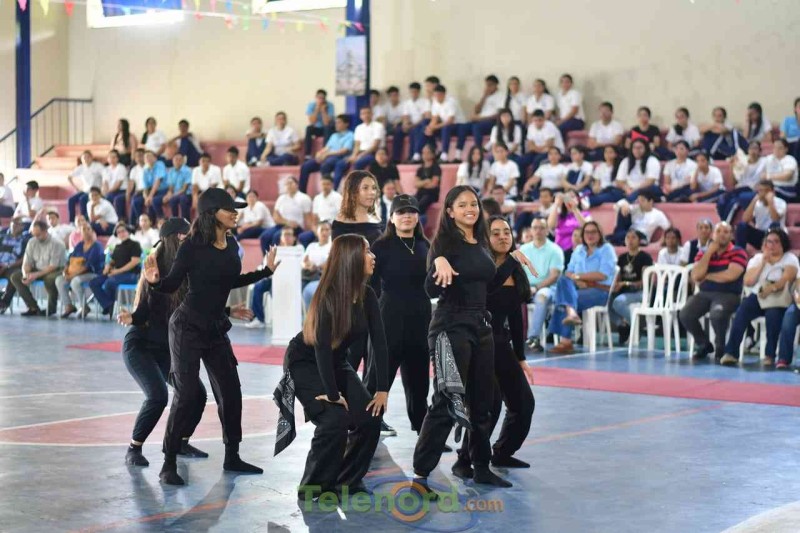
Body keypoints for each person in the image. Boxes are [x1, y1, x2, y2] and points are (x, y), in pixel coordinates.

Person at [143, 188, 278, 485]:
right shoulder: (191, 247)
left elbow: (229, 281)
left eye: (236, 209)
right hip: (187, 327)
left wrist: (265, 272)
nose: (235, 213)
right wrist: (154, 283)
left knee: (231, 392)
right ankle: (168, 462)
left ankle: (233, 456)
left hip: (215, 328)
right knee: (187, 394)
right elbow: (171, 285)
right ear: (211, 213)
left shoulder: (231, 244)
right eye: (230, 209)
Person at [412, 185, 535, 493]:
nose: (470, 209)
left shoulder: (479, 243)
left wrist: (511, 260)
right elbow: (430, 290)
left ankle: (480, 467)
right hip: (450, 327)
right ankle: (421, 475)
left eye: (474, 204)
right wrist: (437, 263)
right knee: (447, 401)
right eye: (462, 204)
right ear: (450, 211)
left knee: (483, 403)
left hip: (481, 327)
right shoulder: (444, 244)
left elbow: (486, 287)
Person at [272, 234, 387, 502]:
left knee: (370, 418)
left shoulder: (367, 294)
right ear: (351, 258)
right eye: (367, 251)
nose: (373, 257)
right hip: (305, 362)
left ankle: (347, 481)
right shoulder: (328, 296)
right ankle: (313, 487)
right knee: (334, 420)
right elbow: (321, 349)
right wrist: (332, 395)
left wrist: (382, 389)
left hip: (335, 362)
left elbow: (380, 344)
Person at [117, 218, 216, 467]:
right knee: (157, 396)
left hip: (164, 349)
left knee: (197, 394)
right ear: (173, 240)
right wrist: (132, 317)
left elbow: (199, 303)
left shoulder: (185, 272)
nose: (189, 241)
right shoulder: (154, 269)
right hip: (140, 346)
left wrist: (227, 309)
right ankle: (134, 448)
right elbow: (143, 313)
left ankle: (181, 442)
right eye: (184, 237)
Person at [452, 216, 535, 478]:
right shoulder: (480, 268)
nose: (503, 236)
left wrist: (520, 356)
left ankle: (502, 452)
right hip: (478, 343)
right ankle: (465, 460)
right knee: (489, 405)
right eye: (496, 233)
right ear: (486, 238)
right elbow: (487, 290)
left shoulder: (515, 270)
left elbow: (516, 317)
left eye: (507, 232)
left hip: (501, 343)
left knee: (523, 403)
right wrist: (511, 261)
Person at [369, 195, 431, 435]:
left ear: (417, 217)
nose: (407, 216)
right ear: (392, 218)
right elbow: (370, 285)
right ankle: (368, 428)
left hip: (420, 320)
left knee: (419, 381)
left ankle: (423, 431)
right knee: (378, 376)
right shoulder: (380, 247)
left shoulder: (426, 246)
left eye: (412, 211)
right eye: (401, 212)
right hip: (389, 318)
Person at [719, 229, 796, 367]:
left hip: (777, 297)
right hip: (758, 296)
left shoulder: (789, 258)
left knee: (773, 315)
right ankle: (731, 353)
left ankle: (769, 355)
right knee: (742, 312)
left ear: (783, 243)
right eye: (769, 242)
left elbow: (787, 278)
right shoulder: (757, 259)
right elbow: (748, 281)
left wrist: (771, 288)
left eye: (776, 242)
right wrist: (763, 263)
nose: (772, 245)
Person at [679, 222, 747, 361]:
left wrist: (708, 276)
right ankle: (703, 344)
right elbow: (696, 276)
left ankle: (720, 348)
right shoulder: (703, 252)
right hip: (704, 293)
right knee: (685, 314)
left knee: (717, 315)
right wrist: (709, 252)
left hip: (729, 294)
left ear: (731, 235)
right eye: (718, 231)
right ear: (713, 235)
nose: (722, 235)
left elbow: (730, 276)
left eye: (726, 232)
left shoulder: (738, 252)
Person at [549, 220, 616, 354]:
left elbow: (602, 275)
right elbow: (569, 272)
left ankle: (566, 340)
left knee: (563, 299)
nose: (590, 235)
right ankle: (571, 314)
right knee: (563, 280)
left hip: (599, 290)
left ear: (600, 234)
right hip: (578, 288)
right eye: (587, 232)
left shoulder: (606, 249)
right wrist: (577, 280)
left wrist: (579, 277)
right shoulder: (579, 250)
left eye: (593, 232)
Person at [519, 216, 564, 352]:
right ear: (531, 230)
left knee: (541, 296)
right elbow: (517, 272)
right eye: (535, 228)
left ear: (547, 230)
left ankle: (533, 338)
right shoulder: (523, 249)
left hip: (548, 288)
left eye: (541, 228)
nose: (538, 231)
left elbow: (554, 276)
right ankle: (508, 336)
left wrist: (536, 288)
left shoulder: (555, 250)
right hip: (526, 287)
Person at [246, 227, 303, 329]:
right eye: (285, 234)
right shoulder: (274, 250)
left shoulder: (299, 249)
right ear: (281, 238)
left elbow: (301, 266)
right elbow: (265, 265)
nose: (287, 237)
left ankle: (284, 319)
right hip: (273, 279)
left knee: (276, 290)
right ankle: (259, 319)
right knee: (257, 287)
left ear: (294, 238)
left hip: (293, 280)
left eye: (289, 234)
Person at [10, 220, 66, 316]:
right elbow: (26, 262)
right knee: (16, 276)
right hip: (37, 269)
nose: (36, 237)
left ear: (45, 231)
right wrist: (26, 274)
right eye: (34, 234)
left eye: (38, 235)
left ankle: (51, 308)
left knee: (49, 279)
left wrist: (35, 275)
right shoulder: (32, 242)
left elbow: (53, 266)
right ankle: (33, 307)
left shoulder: (57, 243)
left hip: (55, 269)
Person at [88, 222, 142, 317]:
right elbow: (112, 261)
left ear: (128, 232)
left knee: (109, 282)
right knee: (93, 282)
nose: (121, 233)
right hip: (116, 274)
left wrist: (117, 271)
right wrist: (107, 266)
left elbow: (134, 262)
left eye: (123, 231)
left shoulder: (135, 245)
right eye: (119, 232)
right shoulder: (117, 247)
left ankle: (108, 305)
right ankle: (108, 304)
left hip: (131, 274)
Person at [610, 230, 653, 344]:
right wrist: (615, 285)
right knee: (606, 300)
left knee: (618, 302)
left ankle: (637, 327)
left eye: (633, 237)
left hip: (640, 292)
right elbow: (618, 278)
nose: (630, 240)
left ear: (639, 241)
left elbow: (645, 282)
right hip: (624, 291)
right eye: (627, 237)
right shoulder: (622, 258)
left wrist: (626, 284)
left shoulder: (645, 257)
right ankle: (622, 326)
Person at [57, 223, 104, 318]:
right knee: (59, 280)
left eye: (88, 229)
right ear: (81, 232)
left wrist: (72, 276)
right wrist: (65, 271)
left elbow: (88, 266)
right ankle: (69, 306)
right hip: (75, 273)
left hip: (93, 273)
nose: (86, 231)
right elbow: (70, 260)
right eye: (84, 229)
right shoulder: (79, 245)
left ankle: (84, 306)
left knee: (75, 281)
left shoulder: (97, 246)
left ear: (92, 231)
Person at [298, 115, 354, 193]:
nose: (336, 125)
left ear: (346, 124)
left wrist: (327, 154)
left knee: (326, 164)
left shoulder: (350, 135)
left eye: (339, 122)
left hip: (339, 157)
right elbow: (326, 148)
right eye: (336, 123)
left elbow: (344, 151)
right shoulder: (334, 135)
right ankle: (302, 192)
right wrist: (319, 153)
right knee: (306, 166)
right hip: (327, 157)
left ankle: (328, 191)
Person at [334, 108, 385, 187]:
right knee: (340, 164)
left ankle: (352, 188)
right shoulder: (359, 128)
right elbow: (357, 145)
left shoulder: (378, 126)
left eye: (368, 113)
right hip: (360, 152)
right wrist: (354, 155)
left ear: (372, 114)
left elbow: (375, 146)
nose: (366, 115)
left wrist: (359, 156)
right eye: (363, 114)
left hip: (373, 153)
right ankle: (335, 189)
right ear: (360, 116)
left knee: (358, 163)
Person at [258, 177, 313, 251]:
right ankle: (266, 256)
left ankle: (277, 256)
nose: (289, 186)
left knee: (277, 236)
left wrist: (307, 230)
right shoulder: (281, 198)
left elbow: (307, 218)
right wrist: (287, 222)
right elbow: (275, 216)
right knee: (265, 236)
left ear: (297, 185)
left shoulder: (304, 198)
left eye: (291, 183)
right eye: (287, 184)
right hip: (282, 224)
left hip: (296, 227)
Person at [717, 140, 766, 222]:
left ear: (760, 151)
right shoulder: (742, 162)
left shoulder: (764, 162)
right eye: (751, 148)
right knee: (722, 200)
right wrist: (731, 166)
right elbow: (732, 183)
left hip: (752, 190)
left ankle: (725, 223)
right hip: (739, 189)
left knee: (734, 202)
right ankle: (722, 222)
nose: (753, 151)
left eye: (755, 148)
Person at [421, 84, 467, 164]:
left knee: (446, 128)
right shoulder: (435, 102)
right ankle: (434, 152)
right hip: (445, 125)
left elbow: (450, 120)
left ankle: (444, 155)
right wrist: (430, 128)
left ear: (444, 94)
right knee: (426, 128)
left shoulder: (451, 102)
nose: (437, 97)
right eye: (435, 95)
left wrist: (435, 127)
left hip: (458, 125)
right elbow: (434, 118)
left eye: (439, 95)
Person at [734, 180, 785, 251]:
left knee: (774, 224)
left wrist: (770, 202)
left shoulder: (780, 202)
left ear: (772, 192)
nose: (763, 193)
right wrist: (754, 201)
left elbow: (775, 219)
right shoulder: (757, 203)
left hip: (776, 236)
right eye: (760, 191)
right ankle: (739, 252)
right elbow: (745, 219)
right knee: (741, 225)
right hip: (760, 235)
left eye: (766, 191)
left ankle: (771, 250)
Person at [464, 75, 505, 160]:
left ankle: (478, 151)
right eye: (487, 85)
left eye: (490, 85)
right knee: (463, 127)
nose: (488, 87)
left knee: (477, 127)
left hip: (492, 121)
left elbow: (499, 114)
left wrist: (479, 118)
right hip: (480, 120)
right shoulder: (486, 96)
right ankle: (458, 154)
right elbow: (477, 110)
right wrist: (484, 96)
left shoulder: (501, 96)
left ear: (496, 85)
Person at [0, 218, 30, 314]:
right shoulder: (1, 237)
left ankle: (4, 303)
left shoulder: (25, 240)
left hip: (12, 266)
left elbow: (24, 258)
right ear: (10, 224)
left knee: (15, 276)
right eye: (14, 223)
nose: (16, 226)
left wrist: (7, 266)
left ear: (23, 227)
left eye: (19, 224)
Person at [300, 221, 333, 309]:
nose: (324, 232)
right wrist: (307, 265)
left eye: (327, 230)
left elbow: (331, 264)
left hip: (322, 277)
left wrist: (316, 266)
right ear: (317, 232)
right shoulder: (311, 246)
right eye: (322, 230)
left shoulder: (332, 246)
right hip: (307, 274)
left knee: (307, 291)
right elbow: (304, 261)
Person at [521, 110, 565, 175]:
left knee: (537, 160)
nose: (538, 122)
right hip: (539, 151)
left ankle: (535, 181)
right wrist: (539, 149)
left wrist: (536, 148)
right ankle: (522, 181)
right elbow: (530, 145)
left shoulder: (550, 126)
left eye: (540, 120)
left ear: (544, 119)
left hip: (554, 151)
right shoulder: (531, 127)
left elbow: (550, 145)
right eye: (535, 120)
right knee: (522, 160)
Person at [67, 151, 105, 223]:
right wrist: (76, 188)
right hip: (85, 190)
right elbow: (69, 177)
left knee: (82, 199)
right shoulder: (81, 168)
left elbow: (105, 176)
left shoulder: (98, 166)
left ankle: (85, 220)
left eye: (88, 157)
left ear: (91, 158)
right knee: (70, 200)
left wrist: (103, 188)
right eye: (84, 158)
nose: (86, 159)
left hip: (95, 191)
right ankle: (71, 222)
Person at [130, 151, 167, 224]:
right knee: (136, 201)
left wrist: (150, 196)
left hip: (162, 190)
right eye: (146, 157)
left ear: (155, 158)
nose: (147, 158)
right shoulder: (145, 169)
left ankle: (161, 220)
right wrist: (146, 197)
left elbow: (158, 181)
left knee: (153, 201)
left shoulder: (160, 164)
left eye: (149, 156)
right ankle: (141, 223)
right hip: (151, 191)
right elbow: (145, 187)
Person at [400, 82, 431, 163]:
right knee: (401, 130)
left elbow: (425, 116)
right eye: (412, 91)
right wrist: (406, 124)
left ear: (419, 92)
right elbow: (406, 116)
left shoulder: (425, 101)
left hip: (420, 124)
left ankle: (416, 154)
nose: (413, 93)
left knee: (418, 128)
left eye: (415, 91)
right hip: (412, 125)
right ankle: (411, 156)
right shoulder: (407, 103)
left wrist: (413, 125)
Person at [762, 138, 799, 202]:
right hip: (771, 188)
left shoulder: (790, 159)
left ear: (786, 149)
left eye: (780, 148)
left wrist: (768, 176)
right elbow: (762, 175)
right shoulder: (768, 159)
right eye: (775, 147)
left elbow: (786, 176)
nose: (776, 150)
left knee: (768, 194)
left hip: (787, 189)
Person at [304, 89, 335, 157]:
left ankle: (324, 152)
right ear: (316, 97)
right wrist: (317, 109)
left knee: (327, 128)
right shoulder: (311, 105)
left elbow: (326, 123)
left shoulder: (330, 105)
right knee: (309, 128)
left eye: (322, 98)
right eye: (319, 98)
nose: (321, 100)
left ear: (325, 99)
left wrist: (323, 111)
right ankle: (307, 155)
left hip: (326, 129)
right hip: (317, 128)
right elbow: (312, 121)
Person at [161, 153, 193, 220]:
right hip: (176, 194)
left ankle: (186, 221)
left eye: (180, 160)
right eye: (176, 159)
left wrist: (172, 195)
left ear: (183, 161)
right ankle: (175, 220)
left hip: (186, 193)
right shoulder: (171, 171)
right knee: (172, 200)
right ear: (172, 161)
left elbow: (184, 189)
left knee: (183, 199)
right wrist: (168, 195)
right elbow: (171, 187)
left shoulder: (187, 170)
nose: (178, 161)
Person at [414, 144, 442, 217]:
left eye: (427, 152)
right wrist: (426, 181)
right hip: (420, 193)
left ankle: (419, 219)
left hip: (431, 194)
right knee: (409, 202)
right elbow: (416, 184)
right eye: (423, 153)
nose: (425, 155)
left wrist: (421, 184)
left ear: (432, 154)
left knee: (421, 204)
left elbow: (433, 184)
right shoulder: (420, 169)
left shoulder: (436, 168)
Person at [554, 74, 585, 138]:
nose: (565, 84)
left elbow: (574, 111)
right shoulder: (559, 95)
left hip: (576, 120)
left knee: (560, 129)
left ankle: (561, 144)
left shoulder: (575, 93)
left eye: (567, 82)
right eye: (562, 82)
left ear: (571, 83)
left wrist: (561, 121)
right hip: (565, 120)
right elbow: (561, 111)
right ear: (560, 84)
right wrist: (558, 120)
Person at [102, 150, 129, 220]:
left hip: (122, 190)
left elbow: (118, 184)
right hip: (111, 192)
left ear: (117, 159)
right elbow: (105, 182)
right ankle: (109, 219)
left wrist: (108, 192)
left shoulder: (121, 168)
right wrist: (105, 191)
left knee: (117, 199)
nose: (112, 159)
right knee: (105, 198)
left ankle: (120, 219)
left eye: (114, 157)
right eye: (110, 157)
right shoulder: (106, 169)